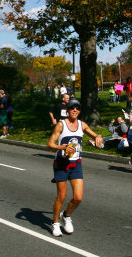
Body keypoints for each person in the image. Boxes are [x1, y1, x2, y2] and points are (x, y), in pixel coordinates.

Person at [47, 98, 103, 237]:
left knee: (78, 197)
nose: (75, 110)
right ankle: (55, 223)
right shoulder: (61, 125)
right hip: (61, 163)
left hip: (76, 163)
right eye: (72, 108)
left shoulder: (82, 124)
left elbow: (94, 134)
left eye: (77, 108)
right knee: (62, 196)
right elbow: (50, 144)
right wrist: (61, 147)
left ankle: (66, 215)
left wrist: (98, 137)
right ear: (68, 110)